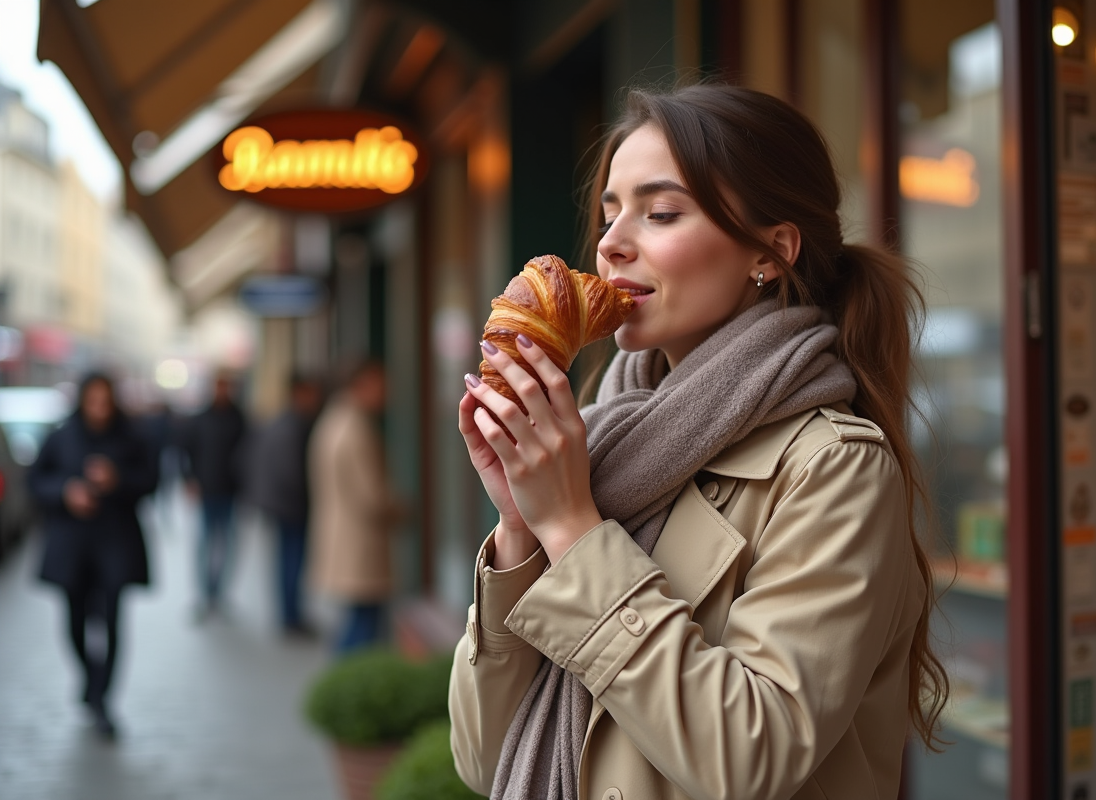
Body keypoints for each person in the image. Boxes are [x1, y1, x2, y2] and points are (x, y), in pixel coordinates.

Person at [449, 84, 948, 800]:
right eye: (610, 212)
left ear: (770, 253)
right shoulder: (608, 439)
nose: (612, 242)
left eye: (660, 213)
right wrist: (523, 530)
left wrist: (570, 526)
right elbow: (482, 757)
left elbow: (751, 759)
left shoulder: (832, 466)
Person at [29, 372, 158, 738]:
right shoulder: (62, 436)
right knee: (74, 620)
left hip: (115, 542)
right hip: (72, 544)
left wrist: (117, 480)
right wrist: (67, 492)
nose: (99, 409)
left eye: (105, 401)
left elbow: (150, 481)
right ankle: (90, 677)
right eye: (93, 401)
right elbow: (37, 481)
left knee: (114, 620)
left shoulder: (131, 437)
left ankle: (103, 698)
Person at [309, 360, 404, 653]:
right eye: (379, 384)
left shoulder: (333, 420)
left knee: (356, 621)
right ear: (361, 384)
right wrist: (401, 509)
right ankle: (344, 692)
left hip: (344, 537)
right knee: (361, 628)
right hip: (360, 542)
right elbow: (372, 496)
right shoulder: (356, 428)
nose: (386, 392)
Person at [246, 374, 323, 636]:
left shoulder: (282, 422)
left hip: (280, 504)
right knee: (291, 560)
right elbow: (291, 473)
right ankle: (290, 617)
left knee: (287, 560)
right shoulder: (292, 426)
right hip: (290, 506)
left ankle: (289, 614)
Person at [181, 372, 246, 619]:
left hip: (230, 490)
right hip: (206, 489)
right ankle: (204, 594)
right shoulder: (199, 419)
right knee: (204, 543)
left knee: (227, 544)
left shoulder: (238, 418)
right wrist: (189, 480)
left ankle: (219, 593)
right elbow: (185, 451)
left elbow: (247, 452)